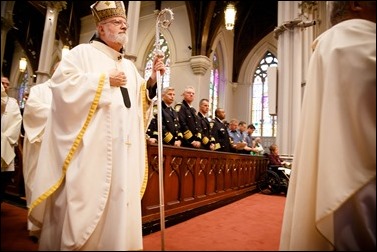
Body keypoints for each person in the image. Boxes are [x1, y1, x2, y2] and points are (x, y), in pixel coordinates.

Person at [28, 1, 166, 251]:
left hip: (123, 152)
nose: (124, 26)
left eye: (124, 23)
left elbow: (138, 102)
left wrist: (152, 82)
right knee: (88, 203)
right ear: (101, 28)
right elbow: (61, 88)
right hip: (91, 152)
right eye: (117, 23)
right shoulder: (82, 54)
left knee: (118, 202)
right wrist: (103, 81)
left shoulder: (129, 66)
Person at [280, 1, 376, 250]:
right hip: (360, 187)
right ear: (356, 4)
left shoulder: (329, 44)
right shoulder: (353, 40)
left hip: (342, 177)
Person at [22, 61, 60, 239]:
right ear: (54, 71)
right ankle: (34, 226)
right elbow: (32, 111)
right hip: (39, 143)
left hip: (59, 147)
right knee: (36, 182)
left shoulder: (70, 92)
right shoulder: (40, 90)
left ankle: (51, 228)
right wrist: (60, 112)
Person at [1, 77, 22, 203]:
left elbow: (17, 122)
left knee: (4, 176)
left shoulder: (13, 103)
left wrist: (5, 138)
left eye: (7, 84)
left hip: (6, 145)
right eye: (2, 83)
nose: (4, 86)